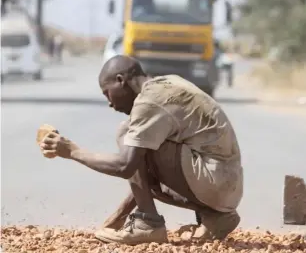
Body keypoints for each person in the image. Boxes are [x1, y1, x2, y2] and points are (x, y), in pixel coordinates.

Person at [40, 55, 243, 245]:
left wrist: (71, 151)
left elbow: (126, 166)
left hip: (213, 179)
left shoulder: (149, 101)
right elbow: (143, 179)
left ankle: (148, 224)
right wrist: (114, 221)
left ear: (121, 80)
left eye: (107, 93)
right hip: (225, 185)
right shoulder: (166, 84)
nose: (110, 103)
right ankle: (216, 217)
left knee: (127, 132)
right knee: (140, 150)